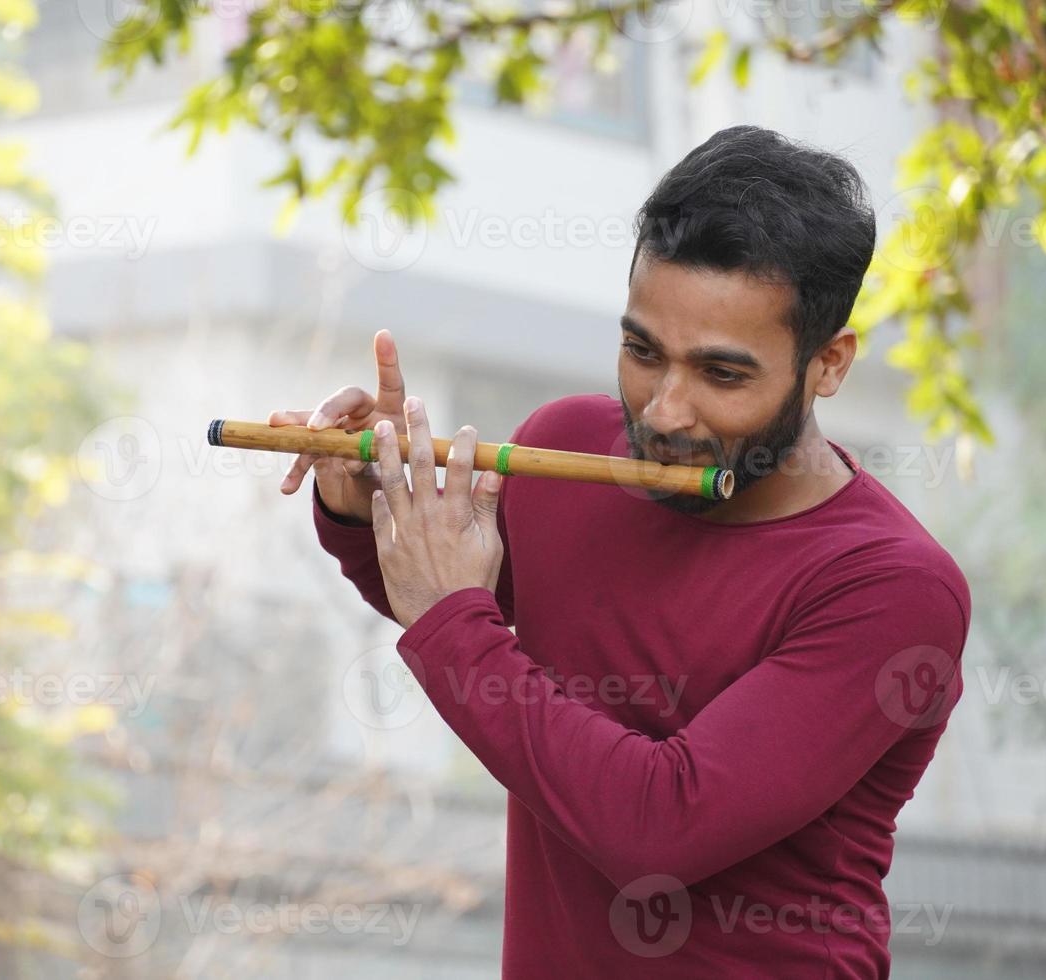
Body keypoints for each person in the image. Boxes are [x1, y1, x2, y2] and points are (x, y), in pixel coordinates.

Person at [268, 125, 970, 978]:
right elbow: (451, 599)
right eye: (643, 352)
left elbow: (657, 831)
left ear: (828, 365)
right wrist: (364, 498)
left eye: (722, 374)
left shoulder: (893, 588)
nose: (666, 410)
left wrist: (451, 618)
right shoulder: (567, 446)